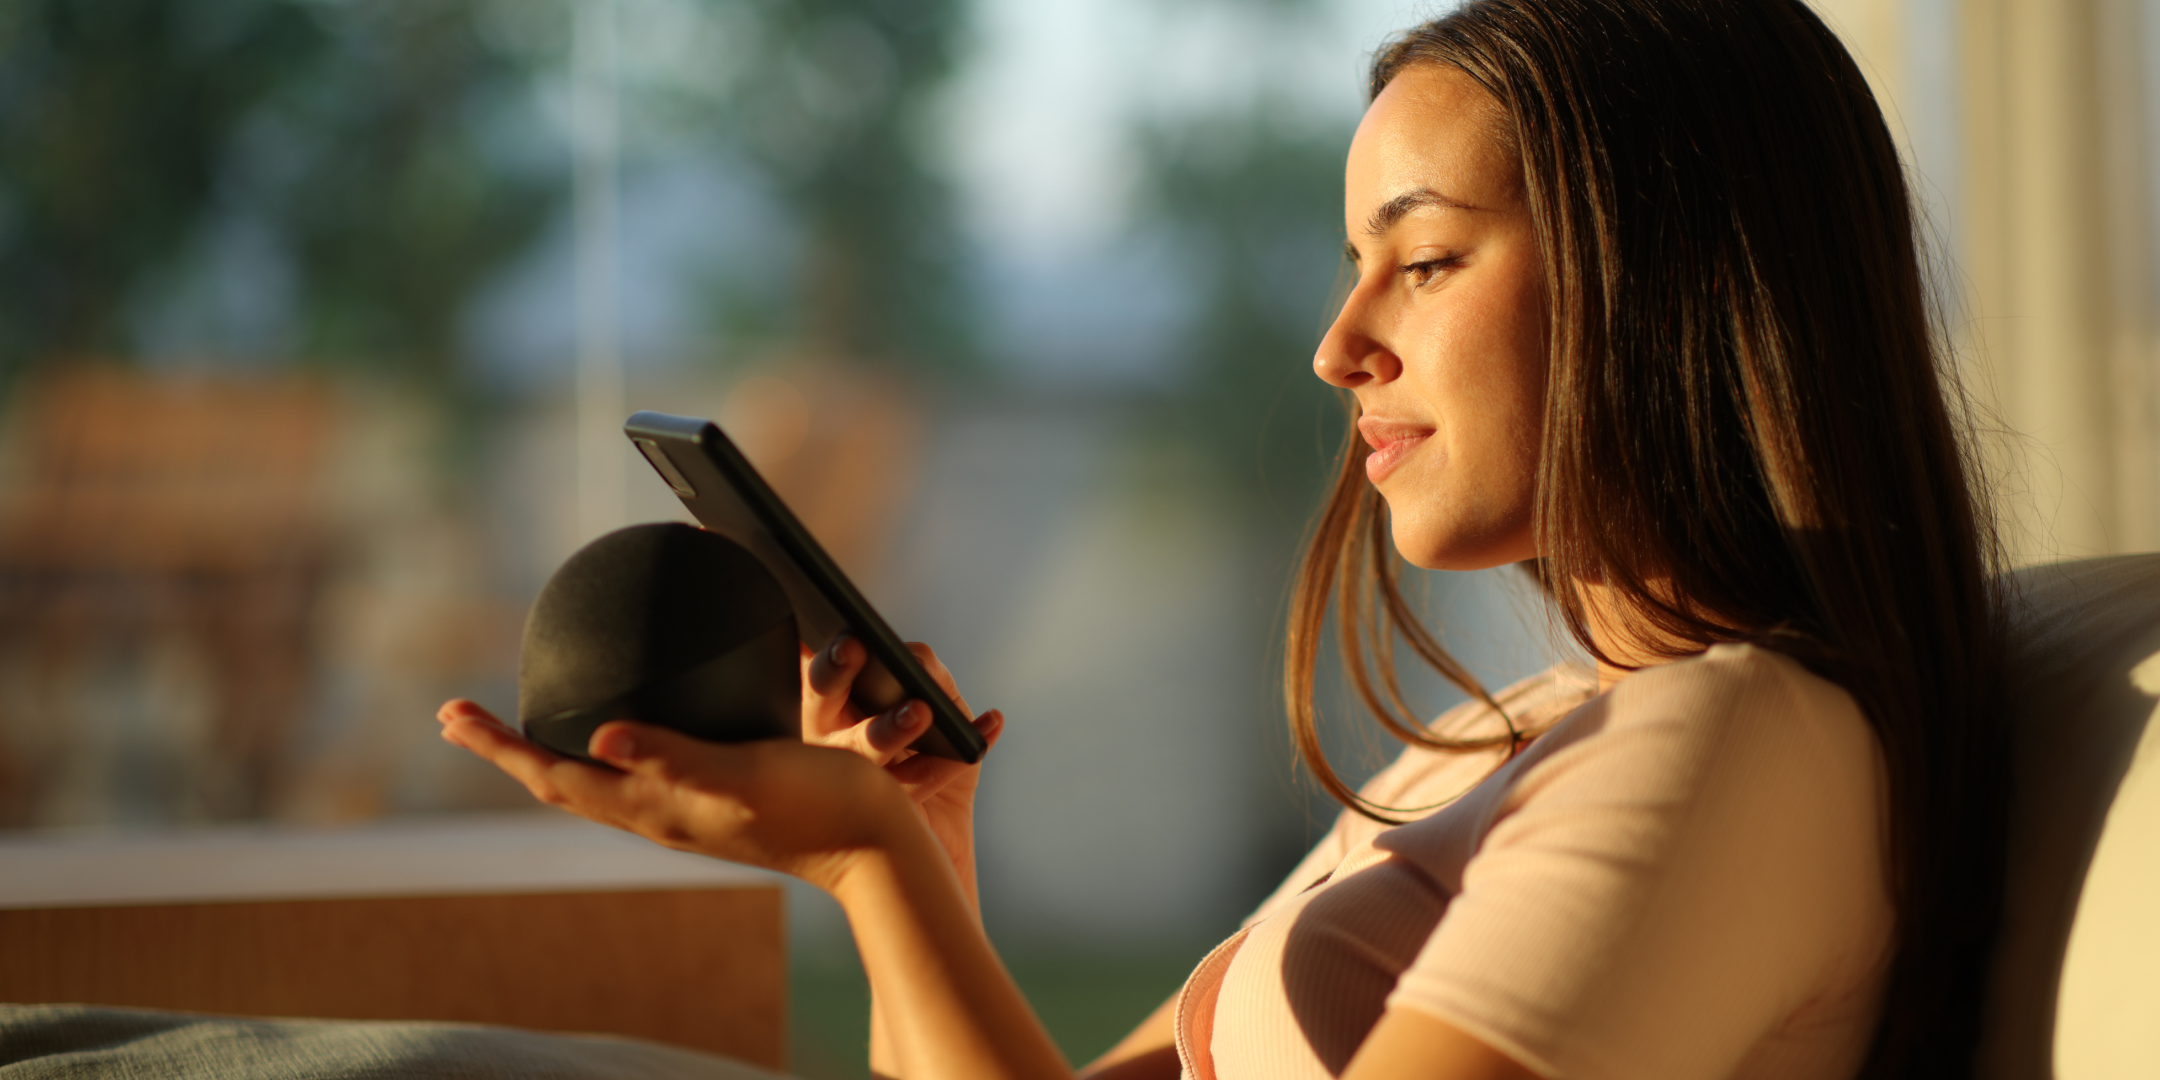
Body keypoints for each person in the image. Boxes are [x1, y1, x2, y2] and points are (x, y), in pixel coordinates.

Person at [441, 1, 2007, 1077]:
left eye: (1429, 259)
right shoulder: (1506, 736)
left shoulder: (1735, 748)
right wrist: (911, 857)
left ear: (1671, 289)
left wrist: (866, 866)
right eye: (1351, 264)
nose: (1338, 346)